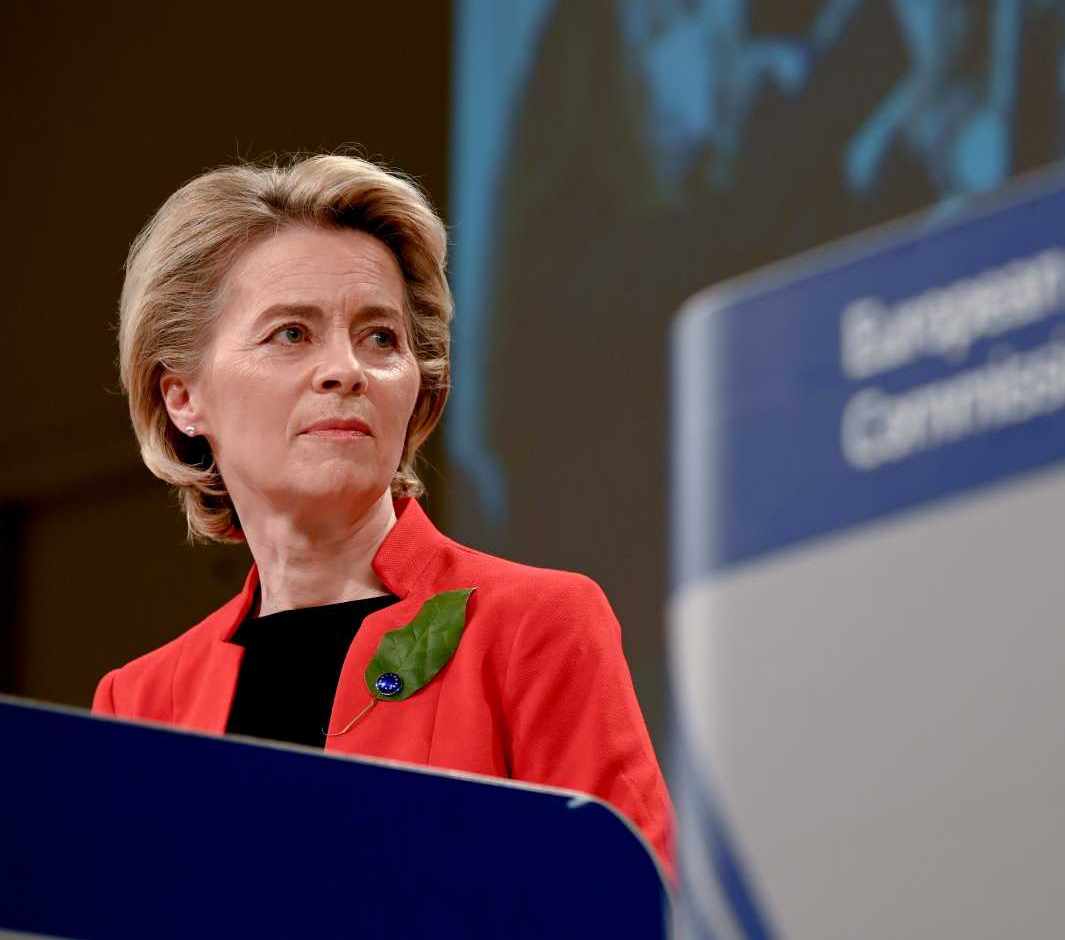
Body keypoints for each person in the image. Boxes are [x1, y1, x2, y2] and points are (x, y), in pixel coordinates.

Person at [91, 154, 674, 876]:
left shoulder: (537, 625)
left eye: (380, 338)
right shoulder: (141, 702)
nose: (347, 370)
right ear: (183, 396)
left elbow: (627, 909)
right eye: (292, 334)